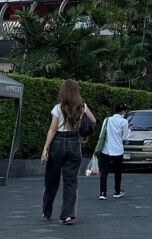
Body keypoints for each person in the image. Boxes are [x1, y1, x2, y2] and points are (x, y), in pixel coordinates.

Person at [41, 79, 96, 225]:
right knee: (71, 182)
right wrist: (85, 136)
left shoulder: (58, 108)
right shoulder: (82, 106)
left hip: (58, 142)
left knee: (51, 180)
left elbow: (53, 129)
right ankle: (67, 215)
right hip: (73, 142)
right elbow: (93, 121)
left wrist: (45, 148)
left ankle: (47, 212)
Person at [97, 102, 131, 201]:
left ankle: (102, 193)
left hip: (106, 150)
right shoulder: (124, 122)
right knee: (117, 172)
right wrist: (129, 131)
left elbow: (101, 134)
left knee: (104, 172)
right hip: (118, 151)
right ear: (124, 111)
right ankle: (117, 191)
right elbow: (124, 137)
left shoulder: (107, 120)